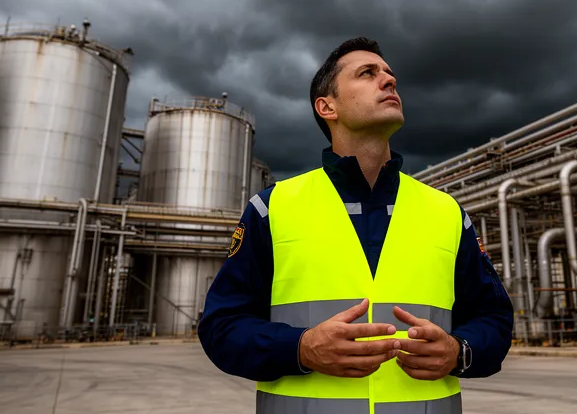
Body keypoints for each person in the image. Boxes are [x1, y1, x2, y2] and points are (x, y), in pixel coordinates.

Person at [199, 37, 514, 413]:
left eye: (390, 74)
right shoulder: (272, 208)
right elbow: (220, 327)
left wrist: (459, 352)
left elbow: (494, 319)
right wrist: (300, 348)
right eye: (368, 73)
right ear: (326, 106)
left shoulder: (445, 212)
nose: (388, 80)